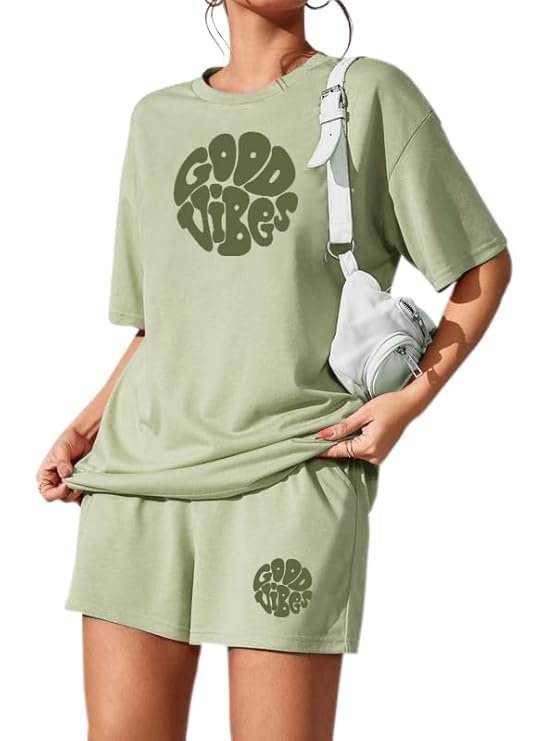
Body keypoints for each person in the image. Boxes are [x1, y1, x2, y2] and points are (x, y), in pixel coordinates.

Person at [36, 1, 512, 738]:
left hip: (292, 473)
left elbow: (481, 263)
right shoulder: (155, 120)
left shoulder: (370, 96)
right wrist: (84, 425)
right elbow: (161, 325)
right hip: (138, 480)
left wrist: (409, 401)